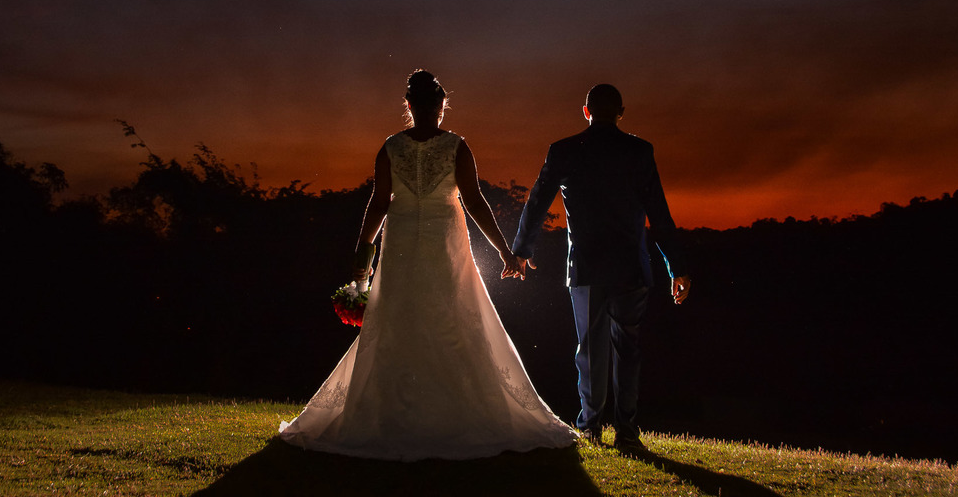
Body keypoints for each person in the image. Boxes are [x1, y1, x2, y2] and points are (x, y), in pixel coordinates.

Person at [279, 70, 576, 460]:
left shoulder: (391, 147)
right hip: (443, 244)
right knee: (450, 320)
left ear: (409, 105)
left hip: (402, 241)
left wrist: (362, 254)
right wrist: (505, 251)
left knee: (402, 320)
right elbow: (474, 202)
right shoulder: (456, 146)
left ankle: (397, 414)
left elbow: (379, 204)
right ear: (440, 106)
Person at [512, 83, 691, 449]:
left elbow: (537, 202)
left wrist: (522, 249)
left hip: (586, 266)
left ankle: (591, 426)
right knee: (628, 349)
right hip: (630, 265)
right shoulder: (640, 151)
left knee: (590, 350)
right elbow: (659, 212)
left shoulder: (563, 150)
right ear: (621, 112)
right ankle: (626, 431)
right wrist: (677, 266)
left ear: (586, 111)